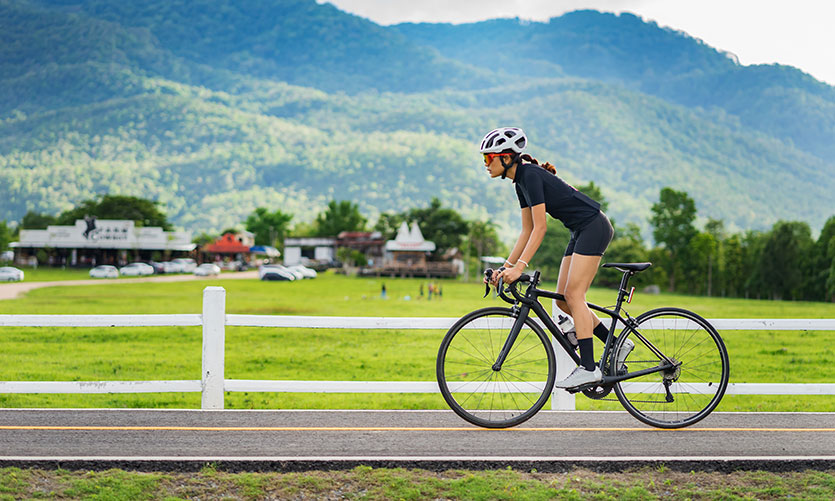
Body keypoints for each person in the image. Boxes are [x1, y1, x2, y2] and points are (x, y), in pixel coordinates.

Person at [481, 127, 633, 389]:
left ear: (506, 158)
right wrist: (504, 268)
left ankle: (589, 369)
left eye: (488, 158)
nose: (485, 164)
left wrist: (520, 268)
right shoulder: (520, 182)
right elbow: (526, 230)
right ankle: (617, 343)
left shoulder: (529, 175)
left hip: (593, 226)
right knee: (564, 301)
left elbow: (541, 228)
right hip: (579, 229)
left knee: (575, 295)